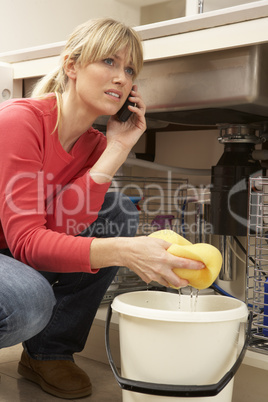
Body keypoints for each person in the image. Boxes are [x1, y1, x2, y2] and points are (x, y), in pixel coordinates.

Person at [0, 18, 204, 399]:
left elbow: (60, 231)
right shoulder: (21, 121)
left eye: (129, 70)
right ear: (72, 66)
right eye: (108, 62)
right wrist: (123, 252)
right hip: (12, 243)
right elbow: (28, 242)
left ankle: (48, 353)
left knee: (116, 212)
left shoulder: (94, 144)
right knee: (28, 302)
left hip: (11, 245)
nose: (121, 78)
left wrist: (118, 147)